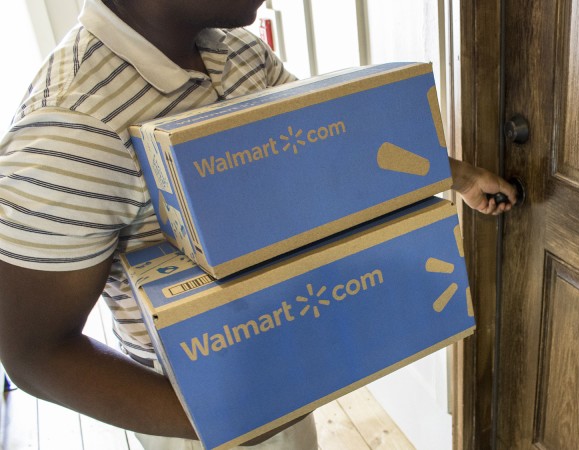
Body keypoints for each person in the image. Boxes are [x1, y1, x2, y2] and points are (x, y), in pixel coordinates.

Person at [0, 0, 517, 448]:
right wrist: (230, 423)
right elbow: (33, 353)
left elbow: (327, 147)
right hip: (196, 413)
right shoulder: (68, 126)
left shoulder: (238, 51)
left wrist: (457, 176)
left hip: (289, 363)